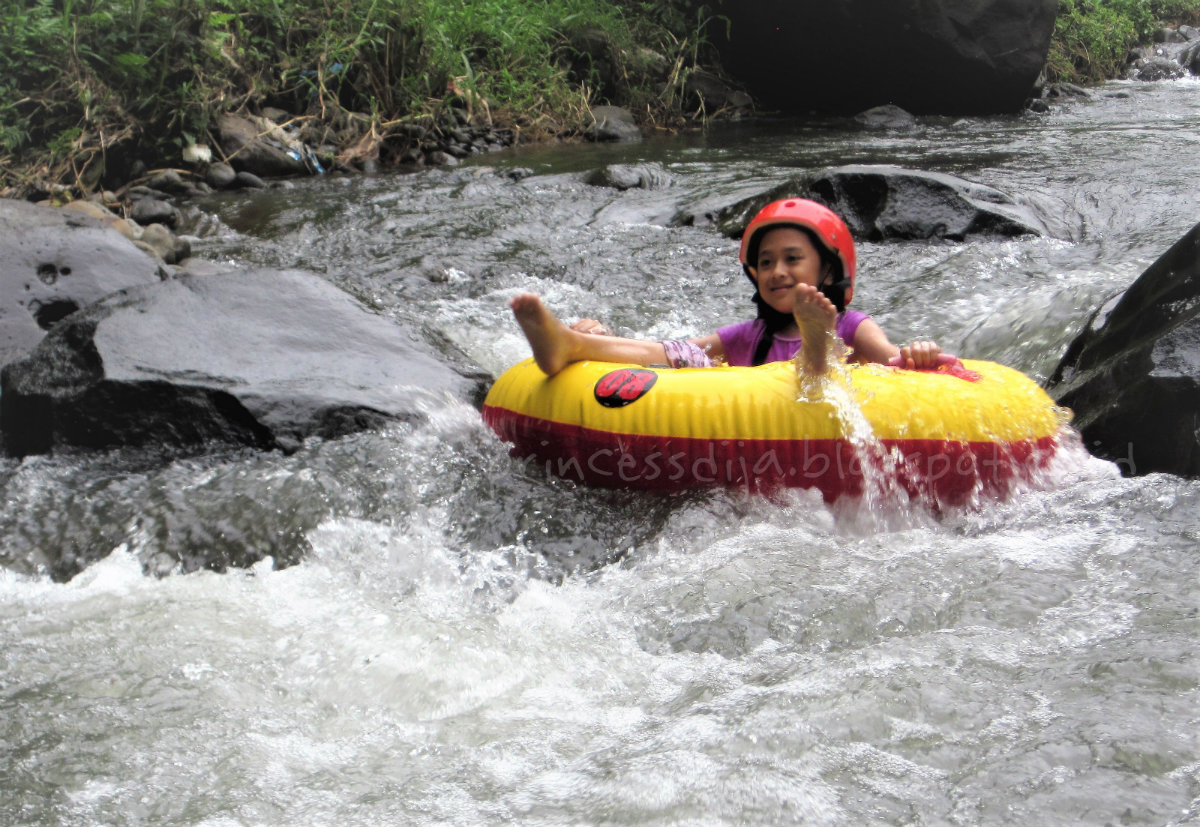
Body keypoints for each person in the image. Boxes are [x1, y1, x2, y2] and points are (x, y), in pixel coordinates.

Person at [510, 198, 942, 377]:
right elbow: (664, 353)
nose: (775, 272)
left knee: (819, 370)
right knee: (685, 355)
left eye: (792, 259)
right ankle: (567, 344)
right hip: (763, 425)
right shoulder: (750, 337)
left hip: (827, 410)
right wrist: (601, 337)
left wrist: (917, 355)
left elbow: (896, 365)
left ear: (829, 271)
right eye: (766, 262)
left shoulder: (853, 325)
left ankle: (817, 345)